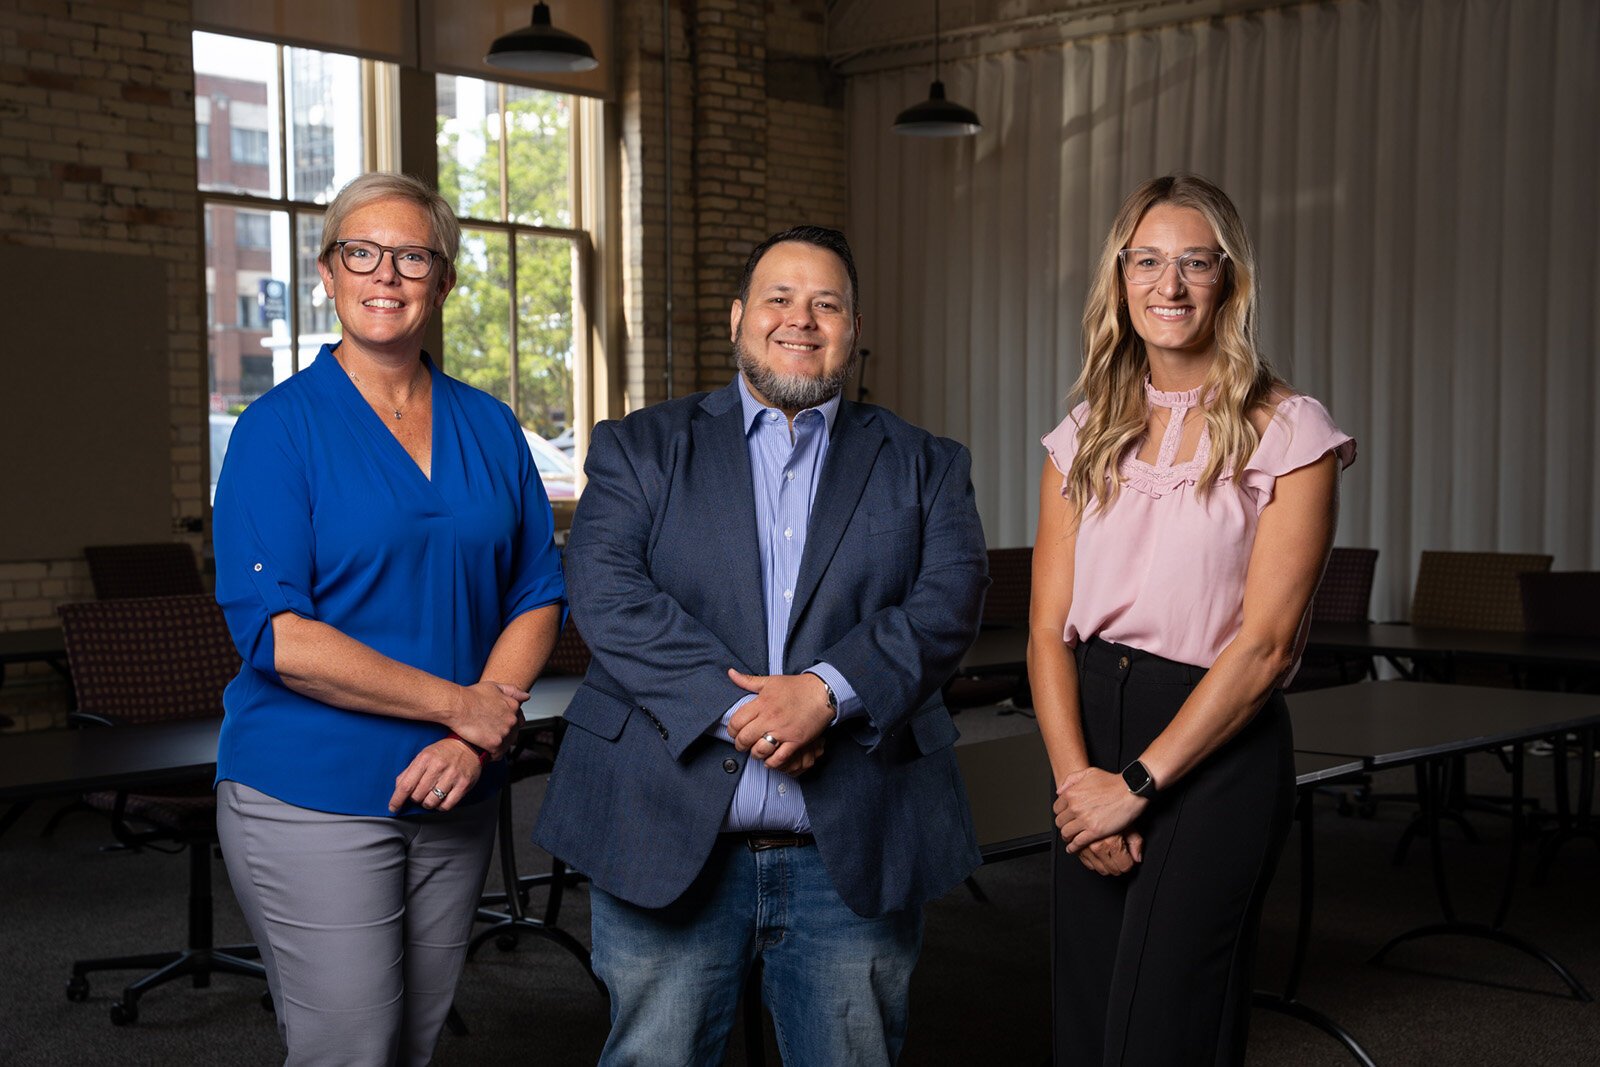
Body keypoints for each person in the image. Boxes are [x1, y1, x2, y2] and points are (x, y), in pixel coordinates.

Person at [535, 225, 989, 1066]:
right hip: (663, 831)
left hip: (852, 842)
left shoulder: (927, 464)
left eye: (827, 303)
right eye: (779, 297)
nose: (801, 319)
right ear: (739, 316)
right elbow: (607, 594)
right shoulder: (639, 448)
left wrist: (824, 693)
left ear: (854, 329)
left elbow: (949, 601)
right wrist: (749, 708)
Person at [211, 172, 565, 1066]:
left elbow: (537, 592)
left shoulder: (491, 427)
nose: (386, 274)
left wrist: (478, 728)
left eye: (413, 256)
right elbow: (282, 639)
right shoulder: (277, 430)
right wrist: (463, 706)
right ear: (327, 274)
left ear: (443, 282)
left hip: (457, 782)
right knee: (350, 1047)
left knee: (411, 1041)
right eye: (360, 252)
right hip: (312, 789)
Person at [1028, 173, 1355, 1065]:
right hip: (1091, 734)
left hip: (1214, 745)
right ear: (1120, 278)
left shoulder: (1291, 432)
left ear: (1229, 281)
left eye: (1194, 263)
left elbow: (1267, 646)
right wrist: (1077, 788)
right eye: (1147, 261)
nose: (1168, 286)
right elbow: (1046, 631)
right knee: (1090, 1029)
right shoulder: (1084, 431)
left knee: (1160, 1031)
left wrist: (1134, 784)